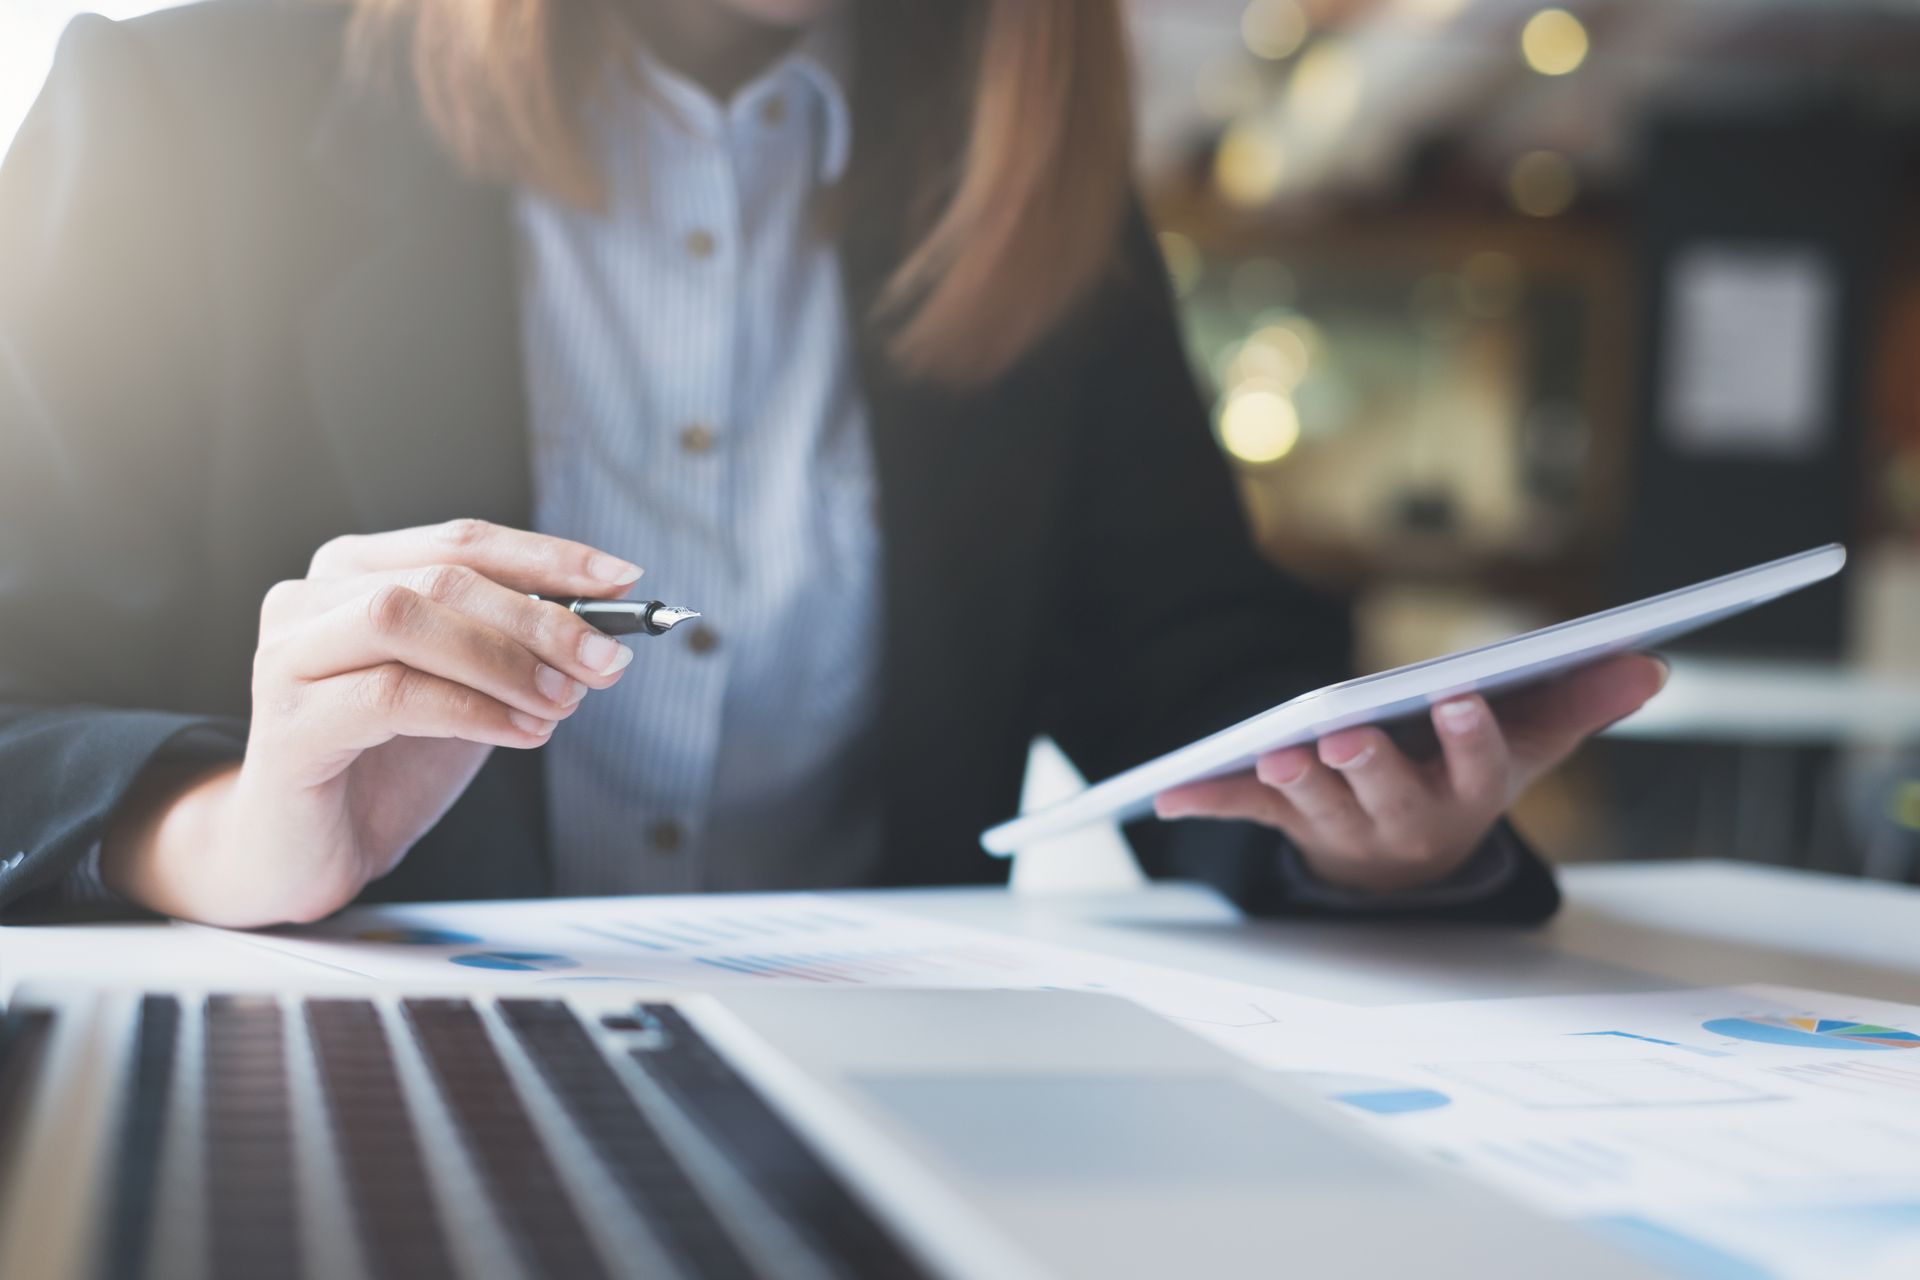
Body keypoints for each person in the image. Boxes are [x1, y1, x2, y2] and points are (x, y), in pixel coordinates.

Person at [0, 0, 1663, 929]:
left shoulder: (1028, 183)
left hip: (882, 1106)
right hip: (322, 1060)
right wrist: (218, 833)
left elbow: (1192, 666)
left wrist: (1365, 831)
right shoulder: (174, 112)